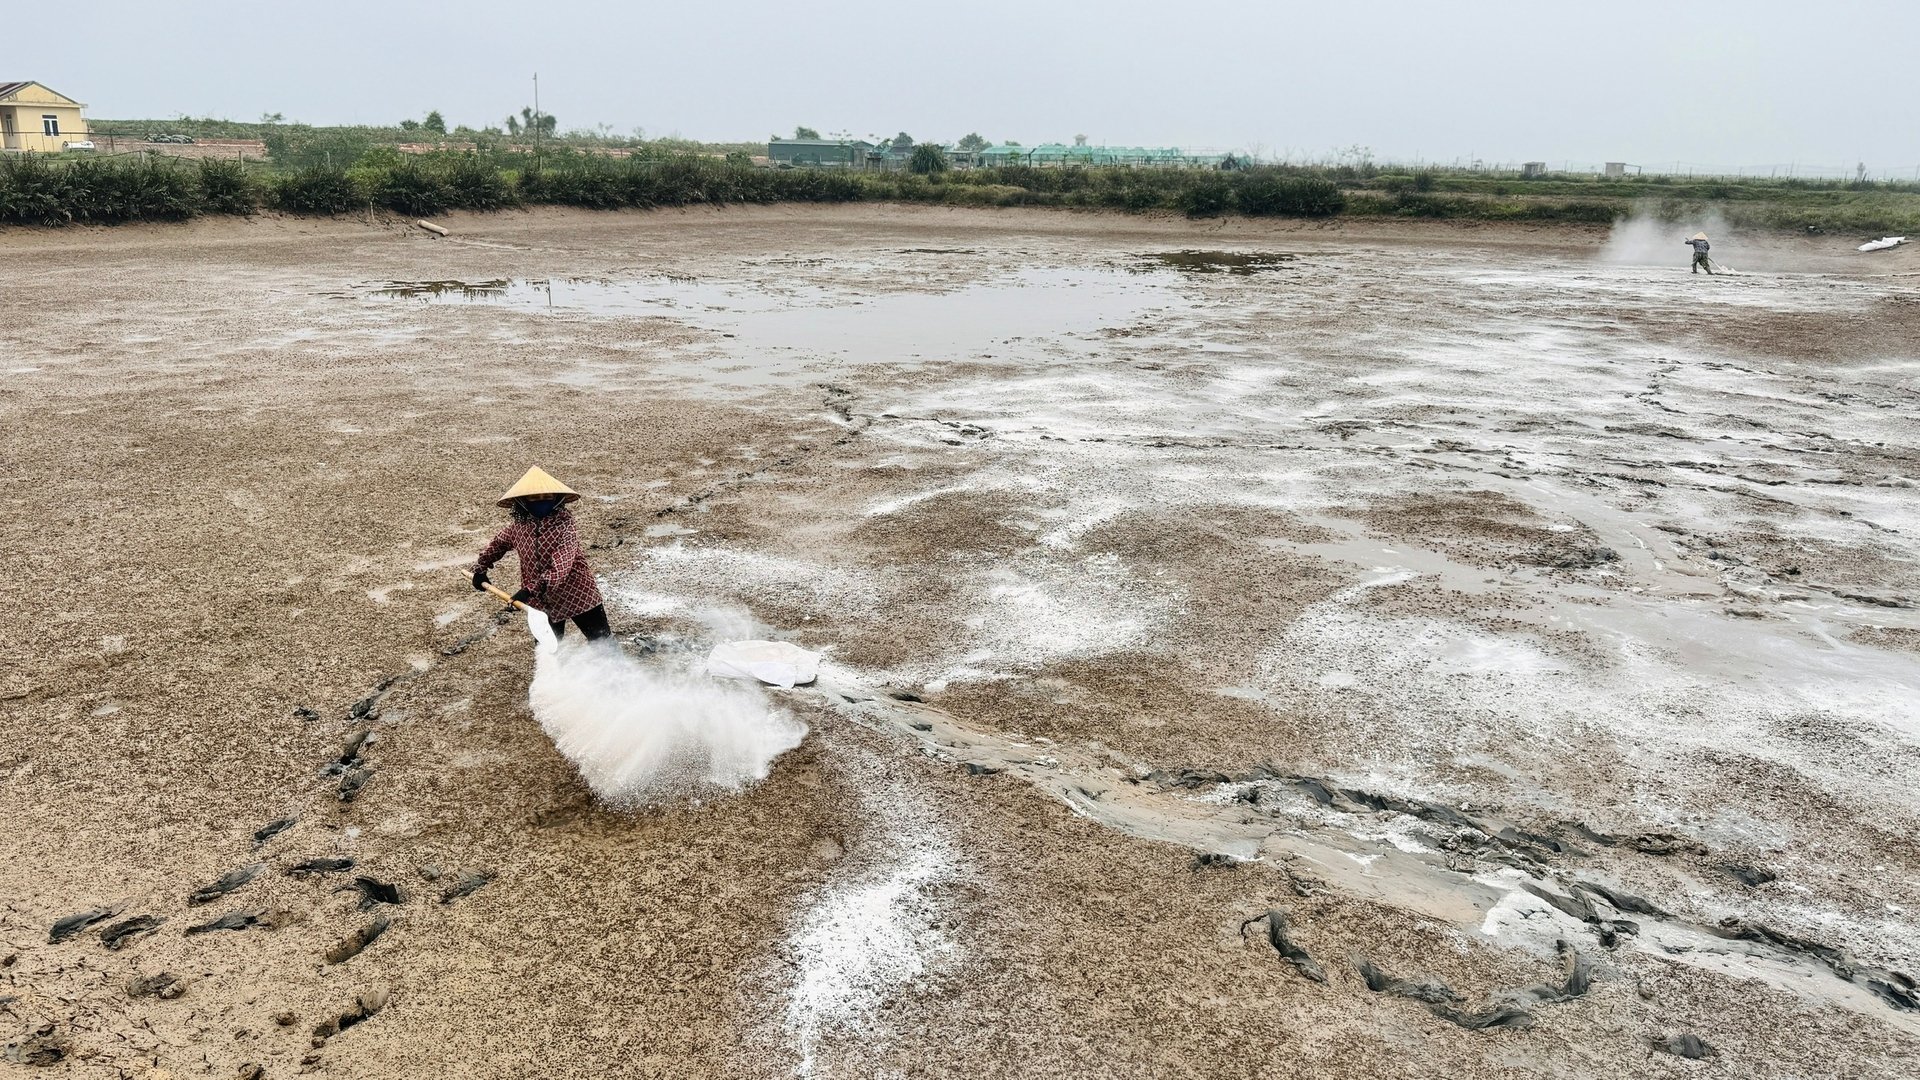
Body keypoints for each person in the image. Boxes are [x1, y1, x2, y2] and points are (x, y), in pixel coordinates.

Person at [470, 466, 612, 641]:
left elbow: (560, 567)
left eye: (546, 497)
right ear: (524, 501)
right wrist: (480, 569)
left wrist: (529, 590)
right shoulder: (518, 528)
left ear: (556, 499)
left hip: (577, 594)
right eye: (534, 498)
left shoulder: (565, 526)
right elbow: (497, 544)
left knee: (602, 643)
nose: (541, 501)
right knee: (548, 651)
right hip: (542, 604)